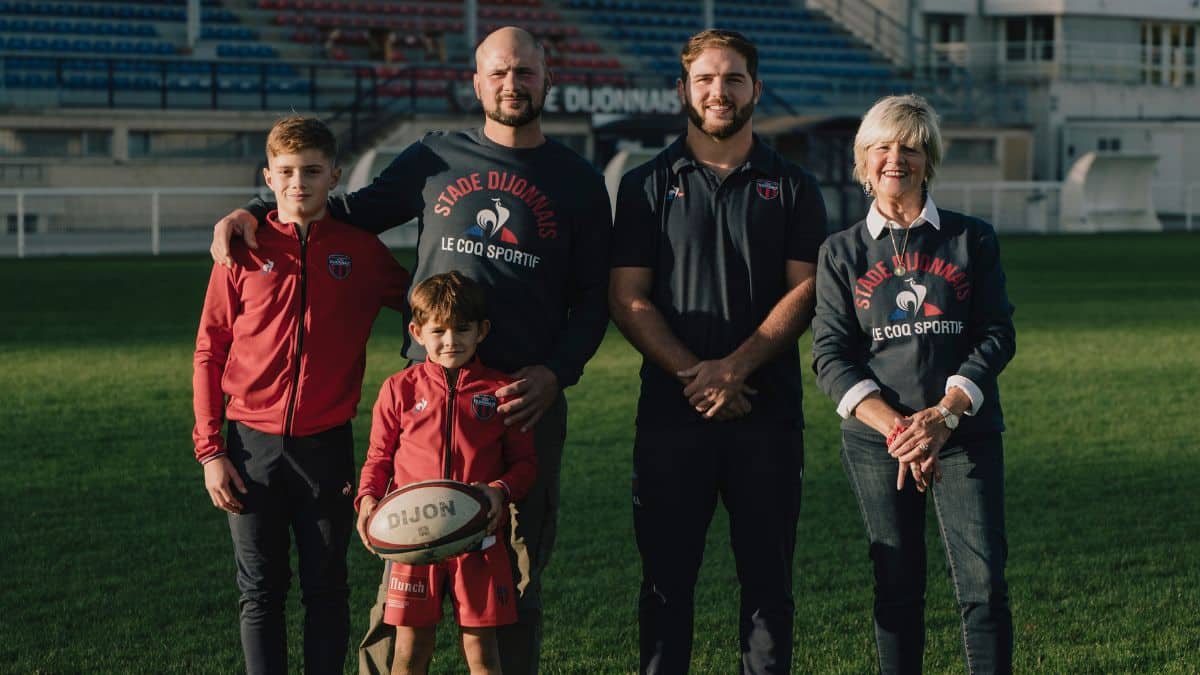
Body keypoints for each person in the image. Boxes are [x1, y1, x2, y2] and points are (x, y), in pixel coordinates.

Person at [209, 26, 612, 675]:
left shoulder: (580, 181)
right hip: (425, 399)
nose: (512, 84)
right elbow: (346, 207)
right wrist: (257, 209)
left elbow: (596, 296)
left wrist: (556, 372)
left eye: (525, 72)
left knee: (516, 576)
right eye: (499, 72)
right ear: (477, 83)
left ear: (547, 78)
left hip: (521, 402)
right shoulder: (434, 156)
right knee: (405, 559)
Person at [609, 29, 828, 674]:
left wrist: (734, 369)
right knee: (664, 586)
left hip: (767, 415)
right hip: (671, 418)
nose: (719, 91)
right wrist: (697, 376)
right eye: (705, 79)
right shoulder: (646, 184)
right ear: (683, 89)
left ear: (756, 89)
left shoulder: (794, 185)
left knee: (768, 588)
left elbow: (807, 289)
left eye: (733, 78)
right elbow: (627, 298)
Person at [192, 115, 409, 674]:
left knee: (326, 588)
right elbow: (209, 351)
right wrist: (211, 452)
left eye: (312, 171)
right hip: (248, 448)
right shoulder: (243, 249)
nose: (298, 183)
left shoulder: (362, 252)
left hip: (326, 446)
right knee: (260, 591)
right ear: (268, 177)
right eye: (286, 172)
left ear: (334, 175)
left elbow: (423, 306)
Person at [811, 93, 1016, 674]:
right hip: (880, 442)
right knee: (896, 586)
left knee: (983, 585)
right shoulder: (840, 252)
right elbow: (829, 356)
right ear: (863, 160)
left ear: (929, 160)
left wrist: (945, 415)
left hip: (964, 433)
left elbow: (996, 334)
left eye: (910, 148)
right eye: (881, 147)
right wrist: (901, 430)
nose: (895, 159)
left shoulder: (972, 239)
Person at [355, 271, 537, 675]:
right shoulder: (399, 389)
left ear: (482, 331)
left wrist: (500, 490)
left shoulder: (501, 390)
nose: (451, 340)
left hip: (478, 539)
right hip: (414, 539)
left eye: (462, 329)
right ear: (417, 332)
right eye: (438, 331)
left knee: (483, 655)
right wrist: (367, 499)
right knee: (409, 653)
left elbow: (525, 465)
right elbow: (378, 458)